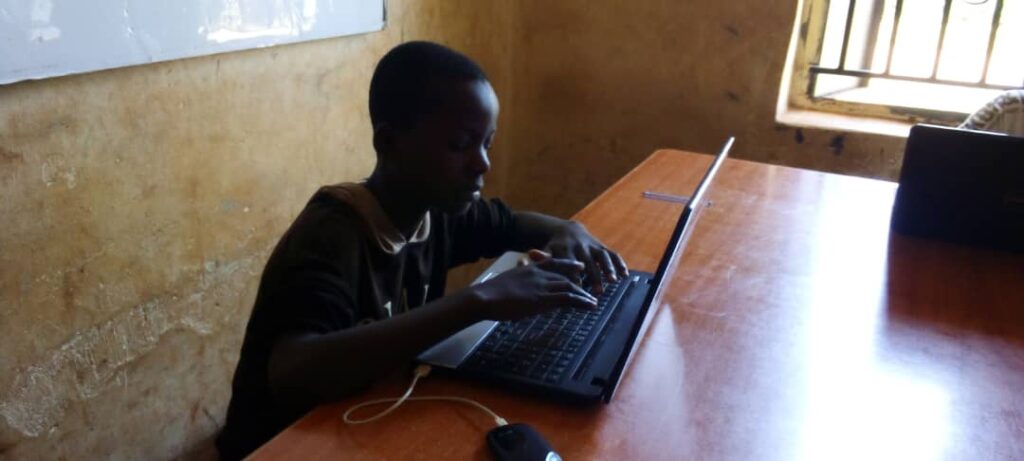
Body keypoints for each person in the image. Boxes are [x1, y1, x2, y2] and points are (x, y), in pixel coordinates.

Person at [215, 41, 628, 460]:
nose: (482, 163)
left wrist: (567, 230)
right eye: (460, 144)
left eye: (486, 142)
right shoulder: (332, 235)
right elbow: (293, 373)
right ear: (390, 142)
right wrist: (479, 301)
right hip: (285, 445)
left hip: (364, 420)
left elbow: (512, 224)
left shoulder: (435, 210)